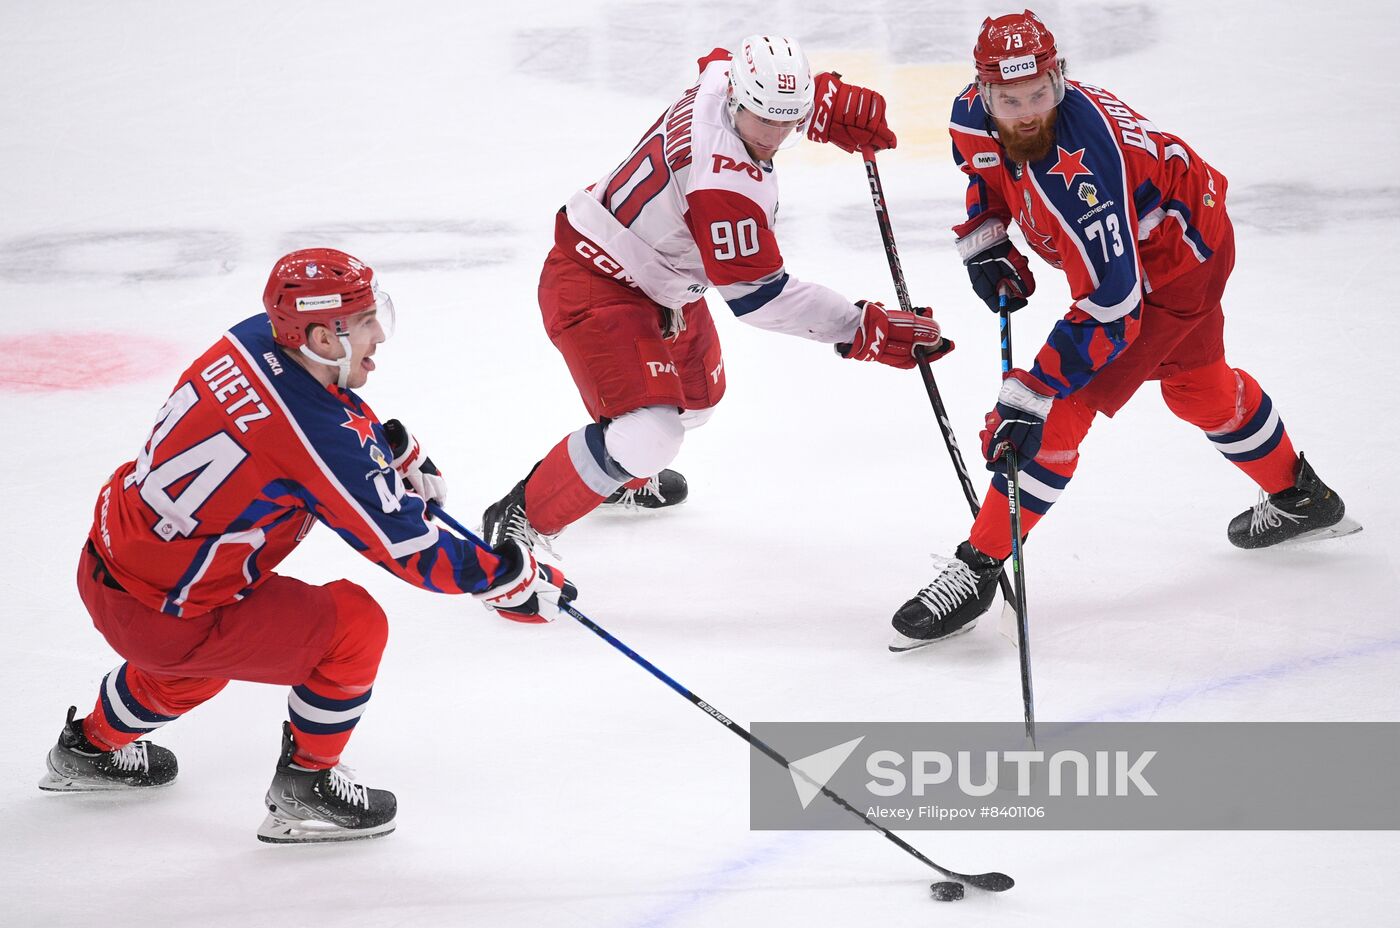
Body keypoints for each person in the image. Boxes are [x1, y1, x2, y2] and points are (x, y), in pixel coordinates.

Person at [40, 249, 576, 843]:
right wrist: (506, 578)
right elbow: (409, 547)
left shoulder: (254, 337)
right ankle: (305, 788)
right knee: (354, 626)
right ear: (322, 336)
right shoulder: (310, 435)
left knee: (189, 671)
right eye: (365, 319)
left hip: (112, 564)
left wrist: (385, 447)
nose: (379, 335)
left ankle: (88, 750)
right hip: (171, 614)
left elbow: (317, 408)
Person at [890, 10, 1358, 650]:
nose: (1027, 112)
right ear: (983, 92)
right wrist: (987, 238)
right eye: (1010, 98)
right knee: (1195, 388)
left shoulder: (1084, 175)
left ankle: (977, 566)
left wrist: (1033, 387)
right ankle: (1303, 498)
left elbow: (1114, 307)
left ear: (1060, 79)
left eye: (1040, 95)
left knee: (1052, 417)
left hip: (1174, 263)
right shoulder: (970, 116)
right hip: (1183, 231)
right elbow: (984, 173)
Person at [480, 34, 950, 550]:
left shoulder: (722, 78)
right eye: (764, 120)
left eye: (787, 120)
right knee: (652, 435)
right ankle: (521, 518)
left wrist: (820, 105)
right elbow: (762, 300)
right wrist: (860, 327)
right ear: (738, 102)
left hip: (661, 282)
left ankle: (613, 469)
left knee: (697, 402)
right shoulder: (722, 185)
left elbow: (721, 58)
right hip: (595, 282)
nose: (773, 137)